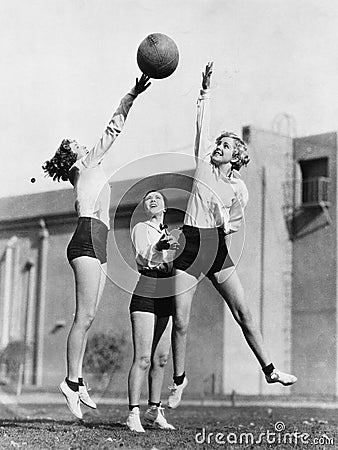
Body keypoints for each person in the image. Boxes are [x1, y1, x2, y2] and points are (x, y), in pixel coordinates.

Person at [168, 62, 297, 409]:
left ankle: (270, 370)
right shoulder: (202, 165)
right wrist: (205, 91)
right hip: (191, 244)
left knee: (244, 314)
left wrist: (223, 229)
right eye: (219, 143)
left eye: (225, 145)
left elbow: (235, 221)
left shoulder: (239, 188)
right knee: (181, 321)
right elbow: (202, 127)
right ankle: (179, 380)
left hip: (217, 246)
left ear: (237, 155)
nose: (218, 147)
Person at [42, 74, 151, 419]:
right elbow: (113, 128)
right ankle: (71, 383)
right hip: (87, 237)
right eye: (76, 143)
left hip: (97, 240)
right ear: (72, 156)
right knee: (84, 316)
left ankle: (78, 379)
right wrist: (132, 94)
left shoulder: (87, 169)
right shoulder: (85, 165)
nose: (83, 144)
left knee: (88, 318)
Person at [126, 190, 179, 432]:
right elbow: (143, 256)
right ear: (146, 207)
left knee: (161, 358)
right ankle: (133, 413)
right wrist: (159, 246)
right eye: (148, 199)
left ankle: (155, 412)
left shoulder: (171, 233)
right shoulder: (140, 228)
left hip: (167, 291)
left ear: (165, 207)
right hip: (147, 286)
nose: (153, 200)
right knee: (143, 358)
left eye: (158, 197)